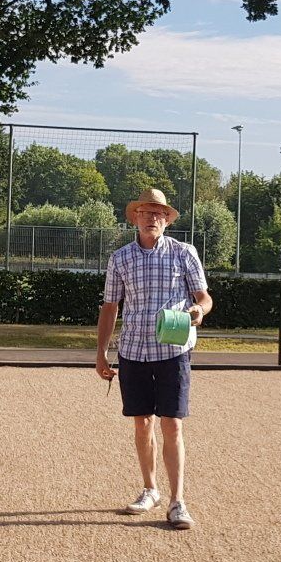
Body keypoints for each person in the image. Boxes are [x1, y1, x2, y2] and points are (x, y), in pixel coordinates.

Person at [96, 188, 213, 530]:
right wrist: (101, 352)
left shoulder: (184, 253)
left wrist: (198, 310)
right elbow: (110, 307)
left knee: (172, 423)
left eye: (159, 214)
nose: (152, 218)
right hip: (133, 350)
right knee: (142, 422)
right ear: (135, 217)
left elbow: (205, 297)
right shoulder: (120, 258)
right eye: (146, 212)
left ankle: (178, 501)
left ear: (167, 220)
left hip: (173, 350)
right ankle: (150, 489)